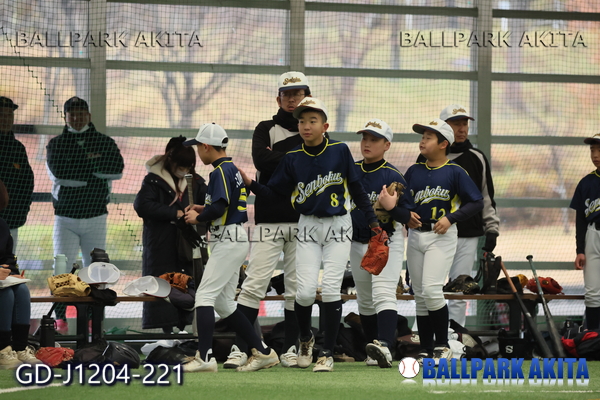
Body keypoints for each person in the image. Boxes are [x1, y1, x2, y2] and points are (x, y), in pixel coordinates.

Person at [240, 97, 380, 372]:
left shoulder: (339, 150)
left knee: (330, 289)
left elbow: (356, 188)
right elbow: (275, 192)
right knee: (303, 294)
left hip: (339, 225)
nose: (305, 125)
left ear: (324, 126)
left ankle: (326, 353)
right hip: (307, 226)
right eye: (302, 120)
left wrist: (373, 221)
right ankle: (306, 338)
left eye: (312, 120)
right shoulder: (293, 158)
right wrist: (252, 184)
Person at [227, 71, 310, 369]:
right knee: (254, 284)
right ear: (278, 99)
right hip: (268, 219)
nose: (292, 99)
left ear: (307, 97)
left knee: (296, 288)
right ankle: (242, 348)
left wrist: (282, 156)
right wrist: (299, 156)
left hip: (303, 221)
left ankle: (290, 349)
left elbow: (313, 166)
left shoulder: (315, 132)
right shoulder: (265, 128)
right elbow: (261, 160)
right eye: (287, 94)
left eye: (298, 93)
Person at [183, 123, 279, 373]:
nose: (197, 152)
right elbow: (224, 205)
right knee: (225, 304)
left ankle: (204, 357)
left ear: (206, 146)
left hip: (228, 239)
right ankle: (263, 352)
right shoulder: (231, 168)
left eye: (198, 147)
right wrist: (203, 209)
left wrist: (198, 217)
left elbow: (220, 206)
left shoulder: (220, 171)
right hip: (232, 237)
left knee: (204, 296)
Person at [404, 119, 483, 365]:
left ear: (443, 144)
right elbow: (405, 201)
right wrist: (406, 214)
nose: (422, 141)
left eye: (428, 137)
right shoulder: (414, 170)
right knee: (420, 294)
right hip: (416, 235)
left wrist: (451, 218)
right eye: (422, 137)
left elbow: (476, 201)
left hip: (441, 235)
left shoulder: (455, 171)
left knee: (431, 289)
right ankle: (426, 348)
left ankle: (443, 345)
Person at [416, 104, 500, 327]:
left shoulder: (476, 157)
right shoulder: (424, 158)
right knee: (427, 288)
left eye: (464, 124)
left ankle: (455, 336)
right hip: (433, 234)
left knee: (459, 289)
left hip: (466, 234)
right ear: (443, 128)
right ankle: (424, 337)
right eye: (456, 124)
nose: (462, 129)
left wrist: (492, 228)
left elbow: (485, 197)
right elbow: (416, 197)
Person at [46, 97, 124, 333]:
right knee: (62, 266)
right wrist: (93, 167)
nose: (77, 118)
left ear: (88, 116)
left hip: (96, 215)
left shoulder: (104, 142)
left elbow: (116, 170)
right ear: (66, 117)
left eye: (81, 114)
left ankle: (94, 319)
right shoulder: (56, 143)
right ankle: (60, 319)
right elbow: (60, 174)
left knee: (97, 267)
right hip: (65, 217)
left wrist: (78, 166)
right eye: (72, 114)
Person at [348, 119, 419, 368]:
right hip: (356, 241)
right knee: (365, 299)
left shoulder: (392, 176)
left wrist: (394, 207)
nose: (367, 143)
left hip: (385, 240)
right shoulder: (351, 170)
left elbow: (409, 216)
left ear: (387, 145)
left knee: (383, 292)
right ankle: (373, 349)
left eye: (374, 139)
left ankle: (386, 346)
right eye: (364, 138)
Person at [134, 136, 208, 333]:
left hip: (188, 246)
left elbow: (210, 207)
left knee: (188, 287)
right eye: (180, 165)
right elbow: (142, 205)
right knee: (162, 288)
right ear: (169, 159)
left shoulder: (197, 182)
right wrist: (175, 213)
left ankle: (187, 332)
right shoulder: (153, 180)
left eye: (188, 166)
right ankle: (165, 336)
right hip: (161, 245)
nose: (183, 169)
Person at [0, 179, 42, 368]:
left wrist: (13, 274)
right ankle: (2, 349)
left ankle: (20, 348)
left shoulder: (2, 225)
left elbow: (8, 257)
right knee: (6, 294)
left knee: (22, 290)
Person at [571, 132, 600, 330]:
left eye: (599, 150)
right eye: (592, 150)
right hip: (593, 235)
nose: (595, 155)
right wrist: (580, 250)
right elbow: (580, 220)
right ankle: (593, 338)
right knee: (592, 293)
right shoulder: (586, 182)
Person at [0, 97, 34, 248]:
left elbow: (27, 183)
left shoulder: (17, 148)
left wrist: (20, 212)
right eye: (1, 114)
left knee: (7, 260)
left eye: (9, 115)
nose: (5, 119)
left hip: (11, 221)